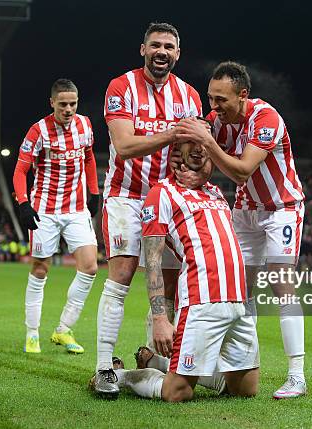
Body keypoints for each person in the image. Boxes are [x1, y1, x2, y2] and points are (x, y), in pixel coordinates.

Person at [175, 61, 307, 399]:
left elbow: (243, 170)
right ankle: (238, 364)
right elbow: (204, 161)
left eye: (221, 100)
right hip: (246, 211)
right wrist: (192, 166)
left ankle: (296, 375)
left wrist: (208, 140)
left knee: (281, 283)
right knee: (237, 289)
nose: (214, 107)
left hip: (282, 209)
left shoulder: (266, 119)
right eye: (211, 99)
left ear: (243, 95)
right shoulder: (217, 122)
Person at [91, 141, 259, 402]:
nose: (206, 155)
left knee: (245, 389)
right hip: (202, 301)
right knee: (177, 393)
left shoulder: (215, 192)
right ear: (176, 156)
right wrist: (160, 318)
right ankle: (120, 375)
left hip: (239, 302)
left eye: (207, 154)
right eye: (196, 152)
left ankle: (158, 363)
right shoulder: (161, 194)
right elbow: (154, 259)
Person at [93, 22, 202, 398]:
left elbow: (191, 154)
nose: (162, 51)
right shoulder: (120, 87)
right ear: (142, 49)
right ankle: (104, 367)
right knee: (121, 275)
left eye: (169, 46)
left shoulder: (189, 96)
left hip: (169, 199)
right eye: (155, 45)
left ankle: (151, 356)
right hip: (127, 195)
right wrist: (172, 134)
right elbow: (123, 146)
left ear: (177, 54)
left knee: (169, 284)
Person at [12, 78, 100, 354]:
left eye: (73, 103)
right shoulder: (38, 131)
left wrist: (94, 192)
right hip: (44, 211)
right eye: (63, 104)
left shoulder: (85, 125)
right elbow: (20, 170)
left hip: (75, 209)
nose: (69, 109)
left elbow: (89, 159)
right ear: (52, 103)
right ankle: (32, 333)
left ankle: (63, 329)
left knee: (90, 267)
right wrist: (23, 203)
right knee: (40, 269)